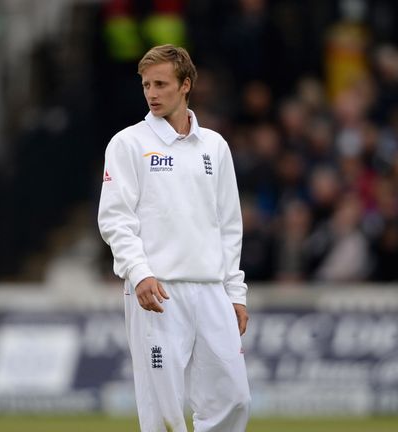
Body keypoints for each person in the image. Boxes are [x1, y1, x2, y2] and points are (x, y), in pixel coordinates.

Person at [97, 44, 251, 432]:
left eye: (161, 84)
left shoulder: (215, 146)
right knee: (162, 413)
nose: (152, 93)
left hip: (211, 291)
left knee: (234, 399)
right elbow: (115, 219)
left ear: (186, 85)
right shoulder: (128, 143)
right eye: (146, 85)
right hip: (157, 292)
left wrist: (235, 292)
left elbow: (228, 225)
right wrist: (139, 273)